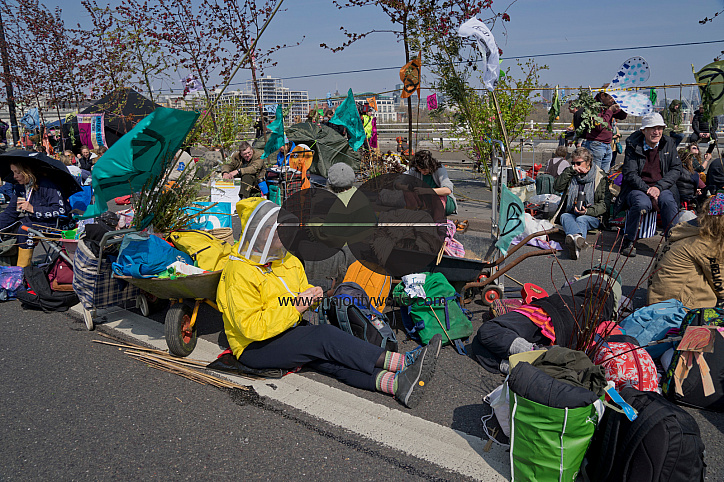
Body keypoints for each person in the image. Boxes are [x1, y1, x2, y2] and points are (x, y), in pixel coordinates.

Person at [216, 198, 442, 408]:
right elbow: (251, 327)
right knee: (323, 336)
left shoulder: (287, 260)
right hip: (253, 347)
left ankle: (397, 384)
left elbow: (300, 295)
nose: (282, 233)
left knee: (332, 356)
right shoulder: (239, 271)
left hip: (286, 330)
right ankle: (404, 362)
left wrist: (315, 297)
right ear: (256, 232)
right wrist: (297, 306)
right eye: (274, 228)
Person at [472, 264, 621, 374]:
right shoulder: (609, 308)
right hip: (569, 336)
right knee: (479, 345)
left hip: (554, 315)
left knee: (489, 330)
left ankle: (536, 355)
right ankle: (521, 367)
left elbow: (562, 294)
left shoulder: (597, 279)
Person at [615, 112, 682, 257]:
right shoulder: (633, 144)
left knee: (668, 202)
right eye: (652, 128)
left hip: (662, 186)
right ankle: (628, 241)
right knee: (641, 204)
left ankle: (673, 243)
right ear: (643, 131)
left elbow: (676, 169)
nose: (656, 132)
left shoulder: (669, 143)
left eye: (659, 128)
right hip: (638, 187)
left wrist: (658, 187)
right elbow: (630, 173)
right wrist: (649, 190)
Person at [648, 193, 724, 309]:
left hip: (660, 298)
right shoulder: (704, 243)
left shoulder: (687, 230)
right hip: (677, 309)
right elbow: (720, 285)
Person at [0, 160, 69, 267]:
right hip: (37, 221)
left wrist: (33, 209)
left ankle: (23, 270)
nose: (14, 176)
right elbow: (10, 213)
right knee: (10, 228)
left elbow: (60, 210)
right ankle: (9, 266)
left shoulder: (46, 184)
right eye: (13, 172)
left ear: (28, 171)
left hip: (58, 223)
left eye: (18, 172)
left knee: (25, 229)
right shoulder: (20, 187)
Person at [552, 147, 610, 260]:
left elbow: (604, 204)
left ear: (588, 162)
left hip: (592, 215)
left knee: (581, 219)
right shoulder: (571, 172)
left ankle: (574, 244)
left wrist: (587, 211)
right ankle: (577, 242)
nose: (575, 166)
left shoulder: (600, 176)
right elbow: (557, 187)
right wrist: (569, 171)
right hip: (571, 212)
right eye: (573, 163)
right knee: (564, 216)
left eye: (578, 163)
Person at [574, 91, 628, 173]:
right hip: (596, 145)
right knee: (595, 173)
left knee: (604, 174)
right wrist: (610, 111)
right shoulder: (594, 107)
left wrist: (624, 107)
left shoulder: (606, 106)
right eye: (610, 97)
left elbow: (621, 116)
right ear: (602, 96)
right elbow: (599, 126)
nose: (612, 100)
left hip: (607, 144)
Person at [404, 150, 457, 216]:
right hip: (427, 203)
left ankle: (437, 218)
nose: (422, 172)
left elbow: (447, 190)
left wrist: (425, 191)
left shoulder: (439, 169)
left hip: (443, 202)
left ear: (430, 166)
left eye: (424, 170)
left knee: (436, 197)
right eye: (420, 170)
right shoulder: (415, 170)